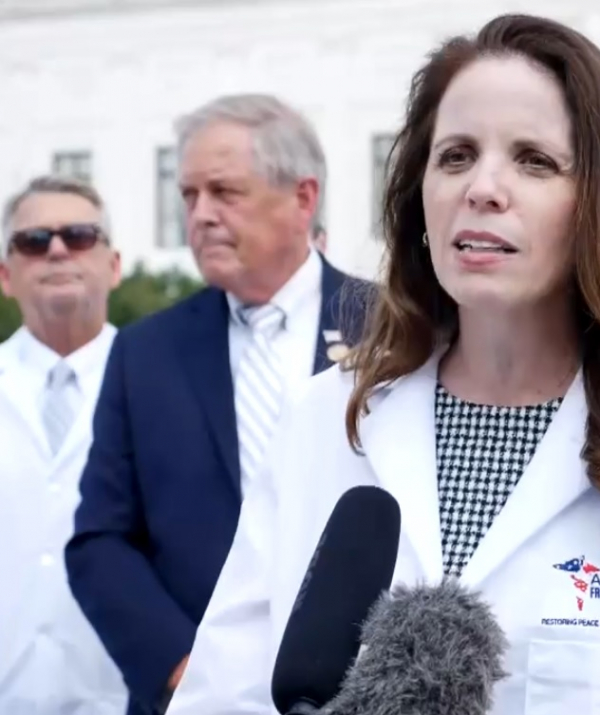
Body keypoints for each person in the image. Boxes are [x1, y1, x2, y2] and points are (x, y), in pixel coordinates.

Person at [166, 13, 600, 715]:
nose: (483, 187)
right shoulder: (325, 420)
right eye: (456, 156)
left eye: (534, 160)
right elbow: (221, 697)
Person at [65, 94, 373, 715]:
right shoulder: (145, 353)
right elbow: (101, 539)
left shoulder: (395, 331)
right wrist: (182, 669)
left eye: (224, 192)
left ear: (303, 198)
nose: (200, 215)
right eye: (189, 195)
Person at [0, 176, 127, 713]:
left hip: (127, 697)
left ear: (113, 266)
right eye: (33, 241)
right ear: (5, 275)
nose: (56, 250)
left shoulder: (163, 387)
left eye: (79, 236)